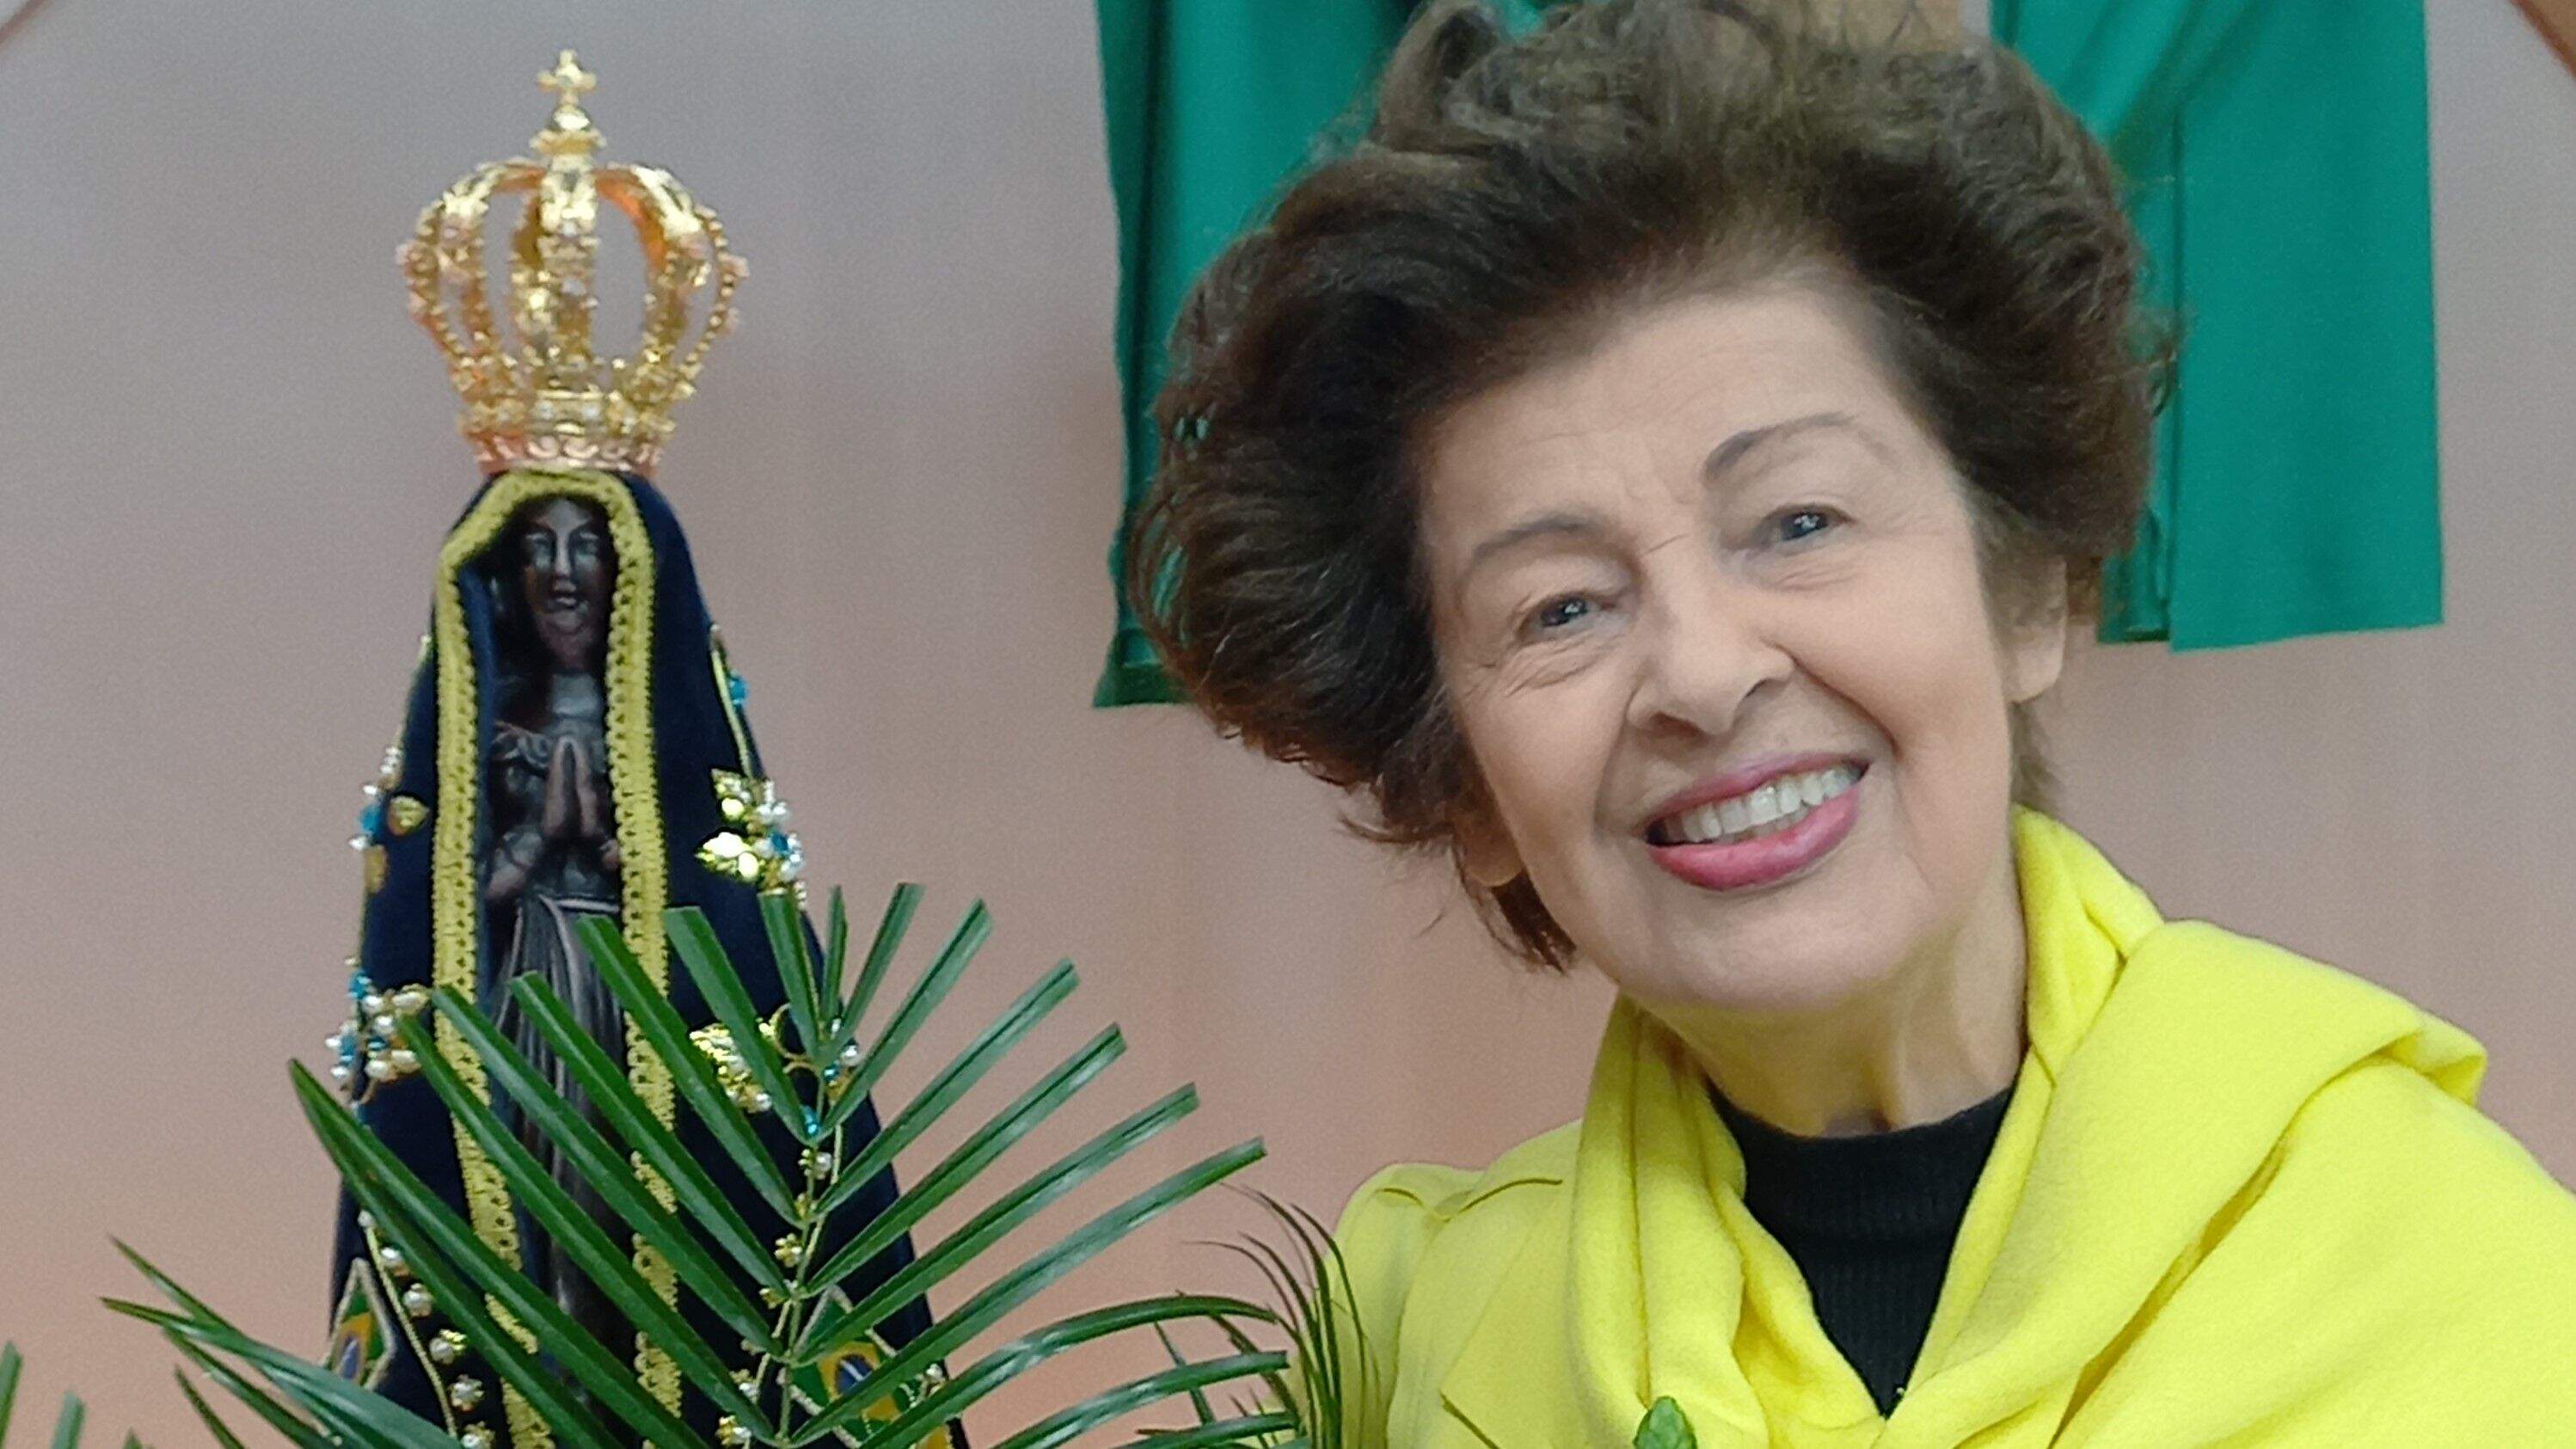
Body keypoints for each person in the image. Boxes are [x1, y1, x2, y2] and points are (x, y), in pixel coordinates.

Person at [1127, 1, 2576, 1442]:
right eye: (1560, 607)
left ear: (2030, 590)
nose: (1703, 673)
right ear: (1464, 789)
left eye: (1798, 520)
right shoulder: (1409, 1339)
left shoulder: (2459, 1273)